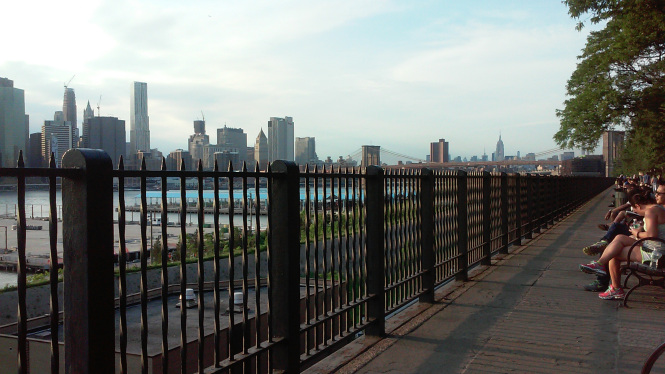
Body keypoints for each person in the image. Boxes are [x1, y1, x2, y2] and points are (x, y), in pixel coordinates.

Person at [579, 187, 665, 299]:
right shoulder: (657, 208)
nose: (634, 212)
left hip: (656, 253)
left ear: (638, 206)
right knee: (619, 238)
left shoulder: (650, 211)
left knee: (614, 254)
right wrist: (638, 231)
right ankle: (600, 265)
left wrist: (636, 233)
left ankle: (614, 287)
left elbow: (652, 235)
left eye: (635, 209)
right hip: (655, 247)